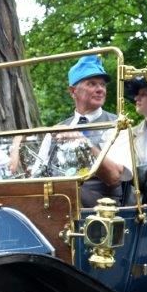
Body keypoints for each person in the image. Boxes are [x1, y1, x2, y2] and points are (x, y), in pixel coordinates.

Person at [55, 54, 129, 207]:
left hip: (103, 211)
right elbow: (35, 174)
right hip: (59, 202)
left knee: (65, 194)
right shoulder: (58, 129)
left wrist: (82, 143)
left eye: (102, 85)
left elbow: (114, 176)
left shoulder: (117, 125)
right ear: (73, 91)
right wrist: (18, 142)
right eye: (92, 84)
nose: (100, 89)